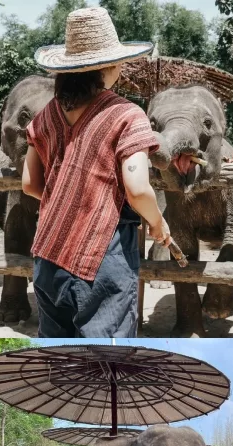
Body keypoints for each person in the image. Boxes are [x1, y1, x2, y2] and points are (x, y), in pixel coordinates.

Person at [20, 7, 170, 338]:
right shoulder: (128, 115)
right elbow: (137, 189)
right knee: (104, 359)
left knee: (61, 362)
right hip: (101, 258)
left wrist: (70, 200)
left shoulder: (45, 116)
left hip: (47, 256)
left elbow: (29, 184)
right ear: (109, 66)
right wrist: (158, 223)